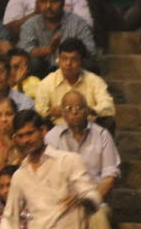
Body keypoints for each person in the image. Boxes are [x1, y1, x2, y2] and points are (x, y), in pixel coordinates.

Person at [0, 109, 100, 229]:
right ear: (15, 139)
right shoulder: (20, 176)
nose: (26, 140)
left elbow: (93, 196)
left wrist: (81, 199)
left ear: (43, 131)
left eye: (30, 133)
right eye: (21, 136)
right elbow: (9, 217)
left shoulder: (69, 161)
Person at [42, 91, 119, 229]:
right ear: (62, 114)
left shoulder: (102, 135)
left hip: (94, 204)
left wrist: (90, 200)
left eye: (79, 107)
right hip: (61, 203)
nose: (75, 112)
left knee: (99, 217)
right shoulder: (51, 138)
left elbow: (109, 178)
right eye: (69, 109)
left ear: (87, 111)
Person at [18, 0, 97, 76]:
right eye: (44, 1)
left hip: (72, 71)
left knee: (90, 65)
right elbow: (24, 52)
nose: (48, 6)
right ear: (37, 4)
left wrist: (71, 52)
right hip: (42, 73)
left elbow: (90, 50)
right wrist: (49, 50)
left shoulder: (78, 23)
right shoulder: (30, 25)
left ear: (63, 3)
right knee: (33, 63)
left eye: (54, 1)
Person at [35, 38, 114, 127]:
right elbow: (39, 112)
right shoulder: (47, 82)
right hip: (57, 130)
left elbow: (109, 107)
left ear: (82, 61)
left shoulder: (94, 81)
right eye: (64, 58)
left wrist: (89, 110)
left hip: (88, 129)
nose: (68, 63)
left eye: (74, 59)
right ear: (58, 60)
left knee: (108, 121)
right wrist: (51, 112)